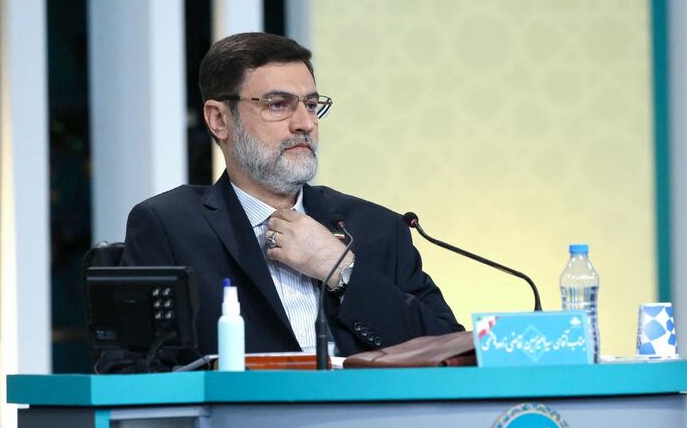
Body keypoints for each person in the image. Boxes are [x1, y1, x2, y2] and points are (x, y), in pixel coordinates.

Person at [121, 32, 462, 357]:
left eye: (312, 105)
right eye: (278, 105)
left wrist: (341, 270)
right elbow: (132, 370)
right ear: (219, 119)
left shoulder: (380, 229)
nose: (305, 123)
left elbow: (451, 351)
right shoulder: (170, 227)